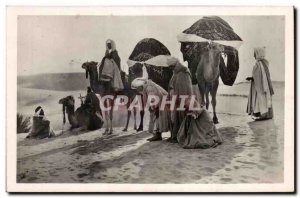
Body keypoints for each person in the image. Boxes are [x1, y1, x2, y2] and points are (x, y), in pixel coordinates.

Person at [167, 57, 193, 143]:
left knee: (180, 116)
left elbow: (184, 89)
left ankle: (180, 136)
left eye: (171, 67)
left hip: (182, 99)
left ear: (175, 65)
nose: (170, 69)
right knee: (174, 117)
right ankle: (176, 135)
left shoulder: (183, 73)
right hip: (176, 98)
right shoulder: (176, 73)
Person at [246, 47, 274, 120]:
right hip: (264, 86)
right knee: (264, 99)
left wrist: (251, 78)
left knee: (260, 100)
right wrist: (252, 78)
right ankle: (265, 115)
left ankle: (262, 115)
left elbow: (259, 77)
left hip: (261, 87)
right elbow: (261, 76)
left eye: (255, 54)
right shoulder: (264, 63)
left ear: (258, 54)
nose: (253, 56)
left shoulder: (259, 64)